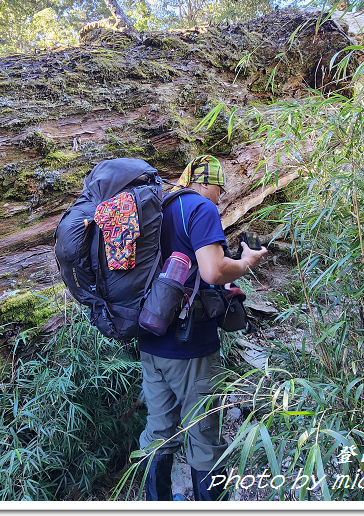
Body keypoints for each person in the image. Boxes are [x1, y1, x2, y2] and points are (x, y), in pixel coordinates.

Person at [138, 155, 267, 501]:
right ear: (206, 182)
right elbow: (212, 272)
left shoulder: (158, 207)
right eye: (220, 189)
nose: (221, 198)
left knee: (159, 432)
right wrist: (245, 262)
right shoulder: (200, 208)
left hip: (150, 340)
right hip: (190, 346)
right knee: (204, 435)